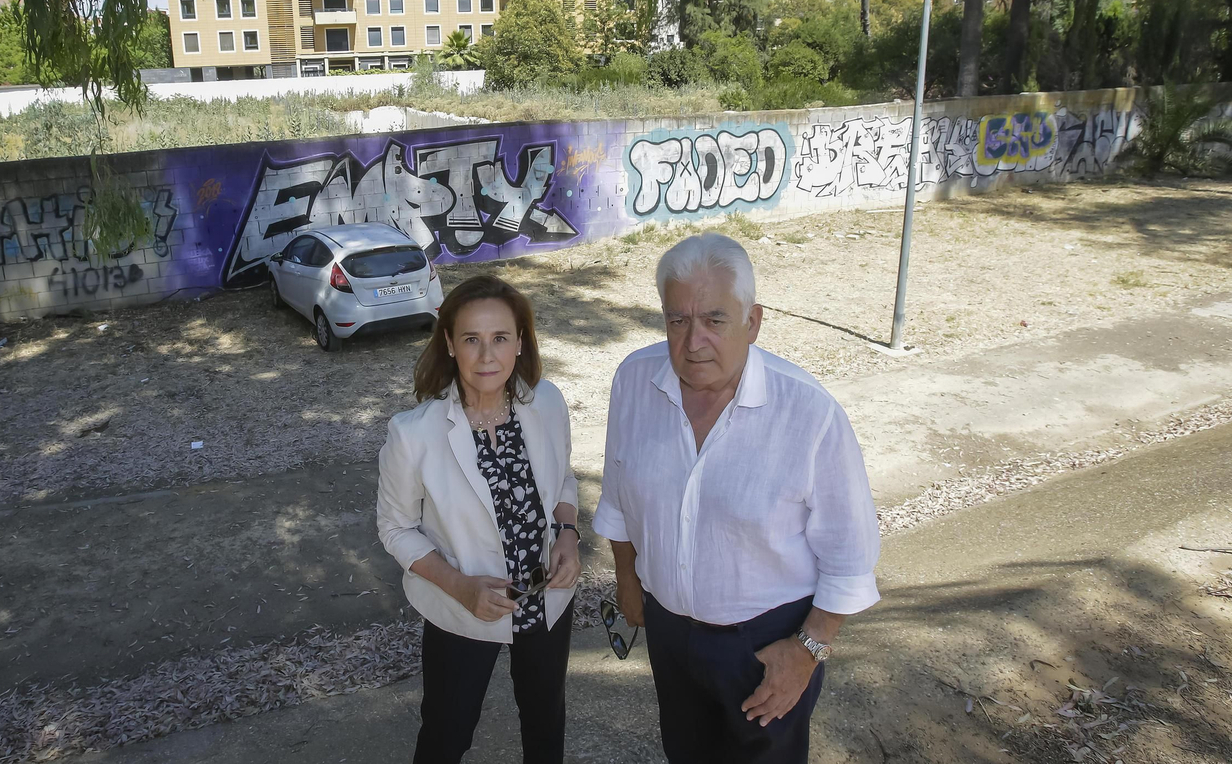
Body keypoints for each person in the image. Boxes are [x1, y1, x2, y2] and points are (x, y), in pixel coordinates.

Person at [592, 233, 881, 764]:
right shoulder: (634, 381)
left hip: (767, 642)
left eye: (714, 320)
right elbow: (618, 497)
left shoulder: (809, 414)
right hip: (669, 631)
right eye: (677, 320)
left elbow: (851, 557)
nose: (693, 341)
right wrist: (628, 580)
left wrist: (808, 650)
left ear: (754, 322)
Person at [377, 274, 581, 764]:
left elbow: (563, 481)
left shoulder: (546, 402)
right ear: (449, 343)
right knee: (447, 733)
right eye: (472, 339)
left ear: (520, 343)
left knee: (545, 722)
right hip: (461, 608)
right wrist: (461, 587)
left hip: (546, 596)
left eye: (500, 338)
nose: (487, 356)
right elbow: (395, 528)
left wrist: (569, 534)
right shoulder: (414, 434)